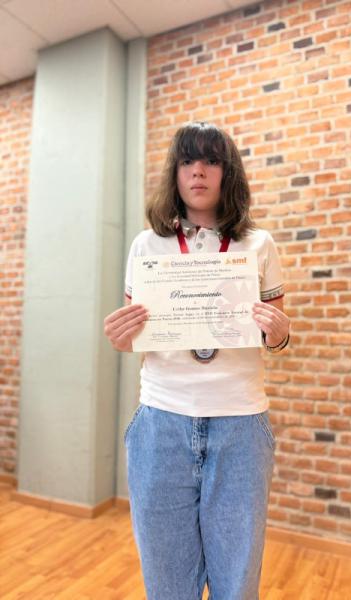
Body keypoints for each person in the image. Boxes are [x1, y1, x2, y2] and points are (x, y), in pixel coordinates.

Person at [104, 122, 290, 600]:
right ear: (175, 172)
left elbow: (275, 335)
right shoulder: (147, 246)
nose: (198, 171)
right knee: (167, 586)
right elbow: (135, 337)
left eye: (211, 160)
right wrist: (121, 339)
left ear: (229, 173)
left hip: (240, 427)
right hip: (161, 423)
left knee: (237, 586)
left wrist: (280, 334)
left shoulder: (259, 244)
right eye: (187, 161)